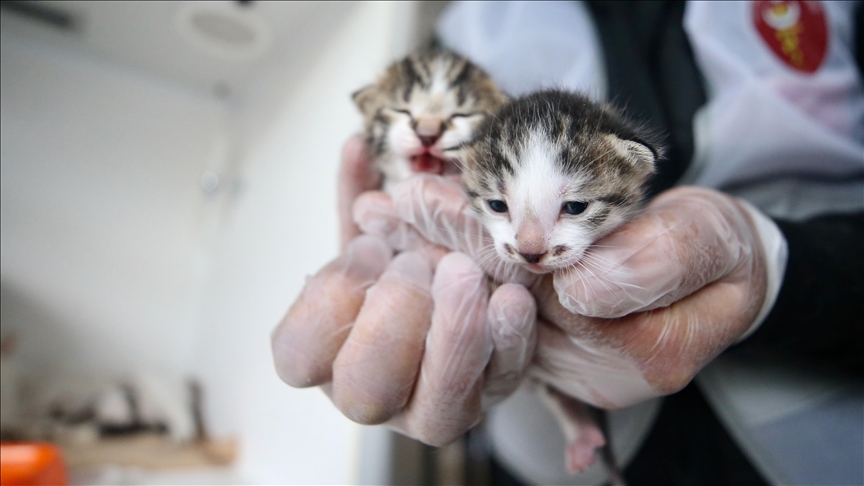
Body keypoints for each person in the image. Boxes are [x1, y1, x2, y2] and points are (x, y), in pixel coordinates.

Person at [272, 2, 864, 484]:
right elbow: (435, 177)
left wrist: (782, 268)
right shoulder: (469, 27)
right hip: (544, 460)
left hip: (817, 432)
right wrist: (400, 292)